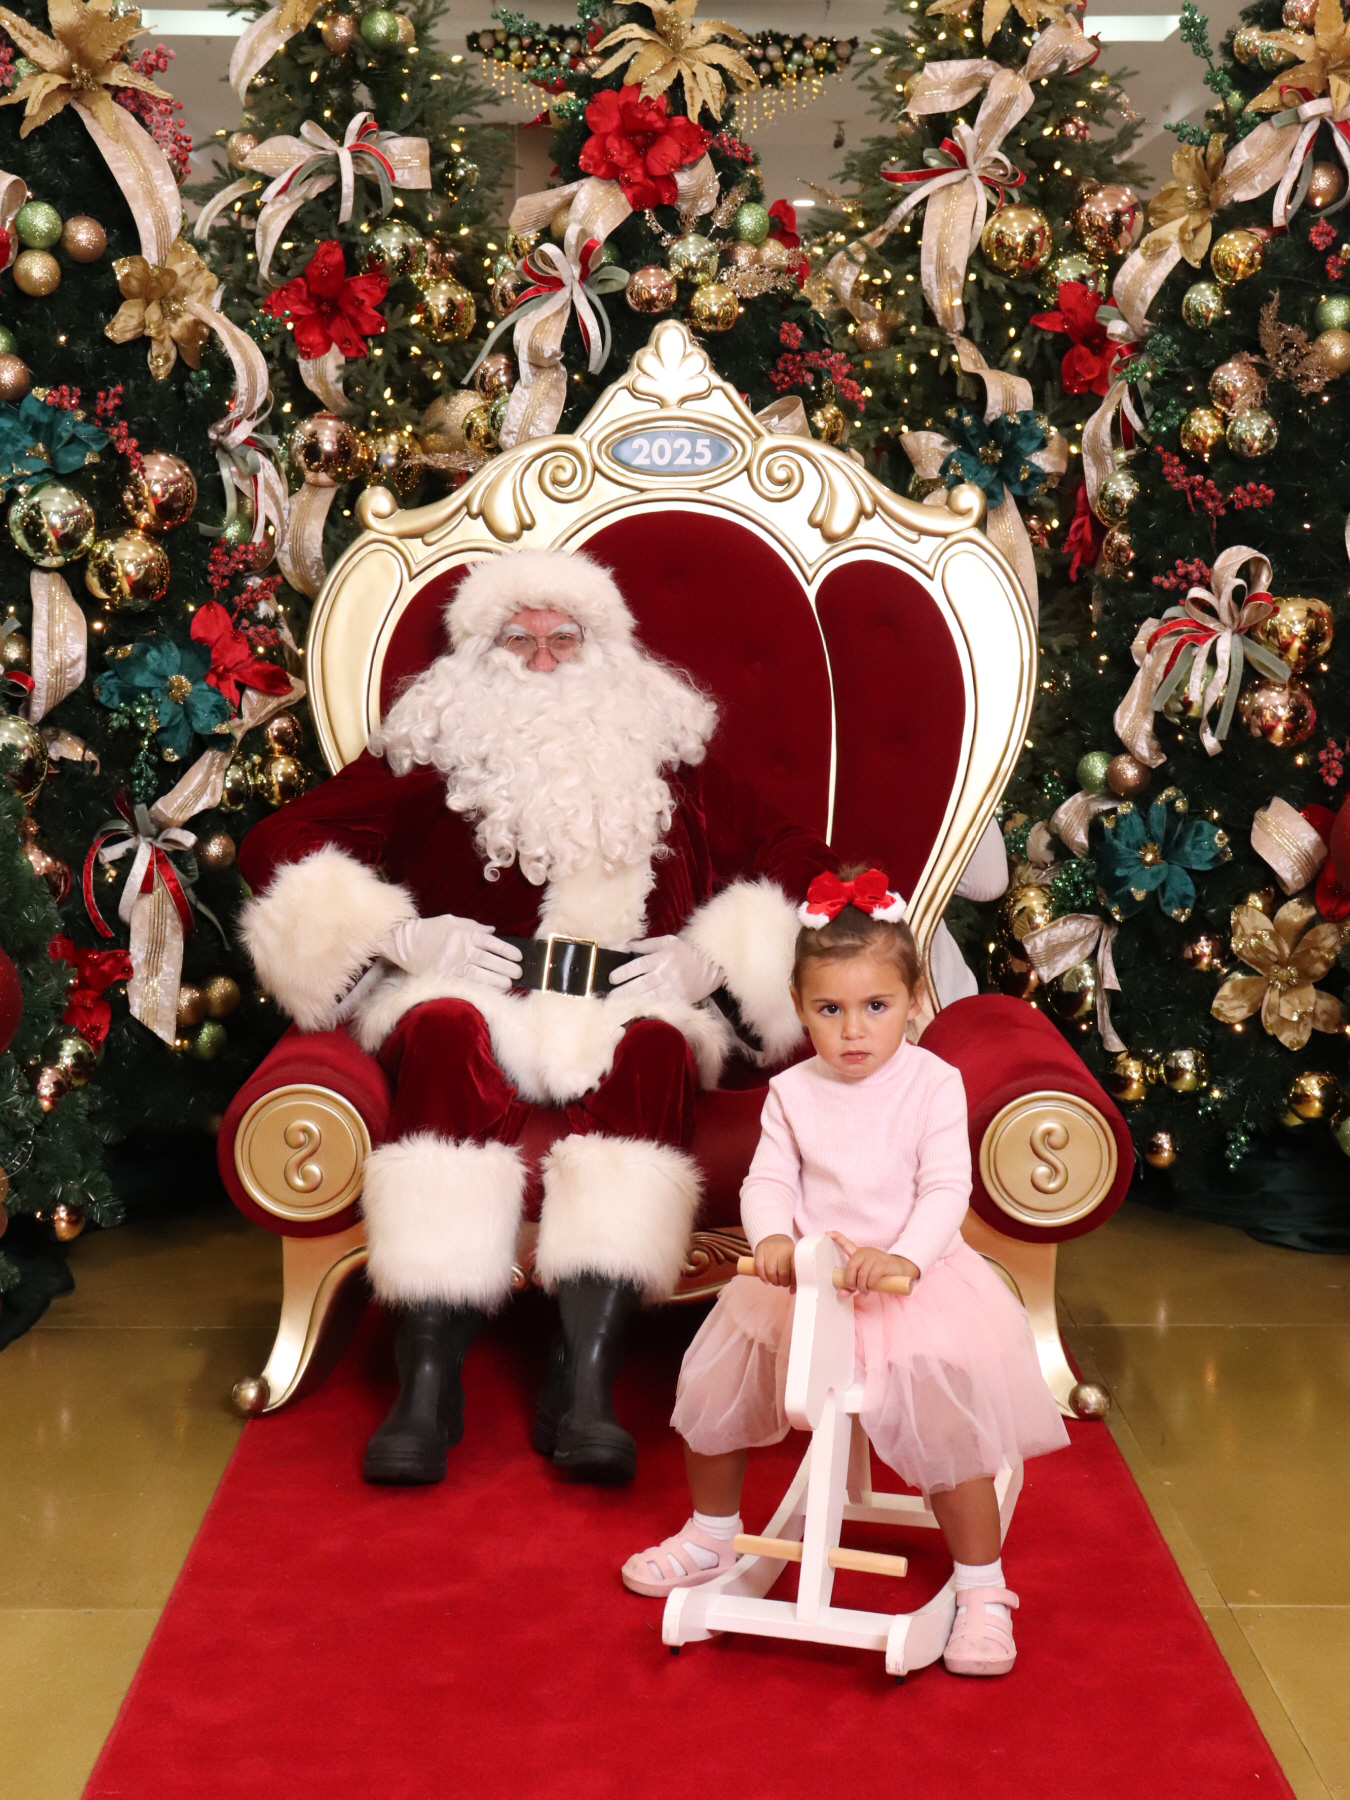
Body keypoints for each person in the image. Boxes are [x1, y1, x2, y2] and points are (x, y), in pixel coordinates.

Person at [238, 547, 835, 1488]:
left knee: (656, 1048)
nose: (546, 659)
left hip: (628, 1001)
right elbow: (278, 839)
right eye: (520, 640)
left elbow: (800, 855)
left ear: (609, 649)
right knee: (443, 1034)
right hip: (477, 990)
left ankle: (583, 1375)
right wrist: (397, 934)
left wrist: (717, 955)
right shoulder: (433, 749)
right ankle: (427, 1377)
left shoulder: (668, 757)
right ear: (481, 652)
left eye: (567, 638)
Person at [620, 868, 1069, 1677]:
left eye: (876, 1007)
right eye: (830, 1010)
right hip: (809, 1286)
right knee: (713, 1388)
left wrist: (903, 1257)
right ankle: (713, 1534)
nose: (853, 1030)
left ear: (913, 1001)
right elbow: (767, 1180)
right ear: (799, 1007)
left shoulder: (932, 1084)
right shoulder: (792, 1091)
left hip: (908, 1288)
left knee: (948, 1428)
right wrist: (771, 1239)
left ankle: (982, 1586)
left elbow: (946, 1189)